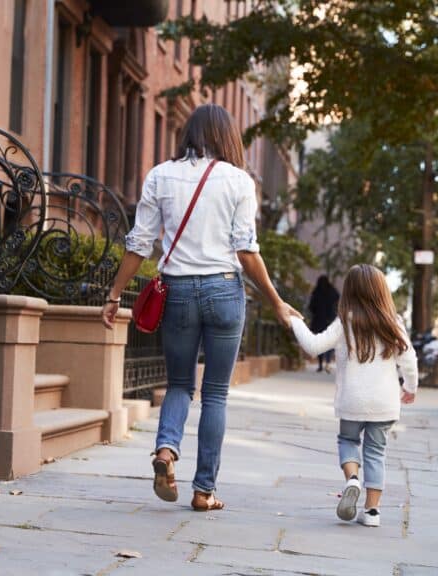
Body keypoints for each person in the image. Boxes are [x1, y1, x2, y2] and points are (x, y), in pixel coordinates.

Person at [101, 103, 300, 512]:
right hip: (225, 291)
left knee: (179, 384)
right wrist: (277, 302)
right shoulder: (240, 181)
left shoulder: (160, 175)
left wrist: (114, 294)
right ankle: (204, 490)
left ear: (188, 134)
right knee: (215, 395)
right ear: (228, 136)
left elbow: (140, 241)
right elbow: (246, 251)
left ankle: (165, 451)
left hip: (177, 291)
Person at [289, 264, 418, 527]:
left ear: (349, 292)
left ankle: (352, 480)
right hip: (384, 403)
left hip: (352, 400)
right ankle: (372, 512)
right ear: (382, 292)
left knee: (348, 440)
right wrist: (410, 387)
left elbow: (313, 346)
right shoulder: (394, 323)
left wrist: (294, 320)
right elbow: (409, 359)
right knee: (376, 451)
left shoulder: (344, 322)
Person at [308, 275, 340, 372]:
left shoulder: (316, 292)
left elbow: (311, 307)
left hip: (318, 321)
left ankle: (320, 364)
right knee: (331, 342)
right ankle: (328, 362)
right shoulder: (333, 292)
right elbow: (338, 299)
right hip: (330, 320)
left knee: (320, 342)